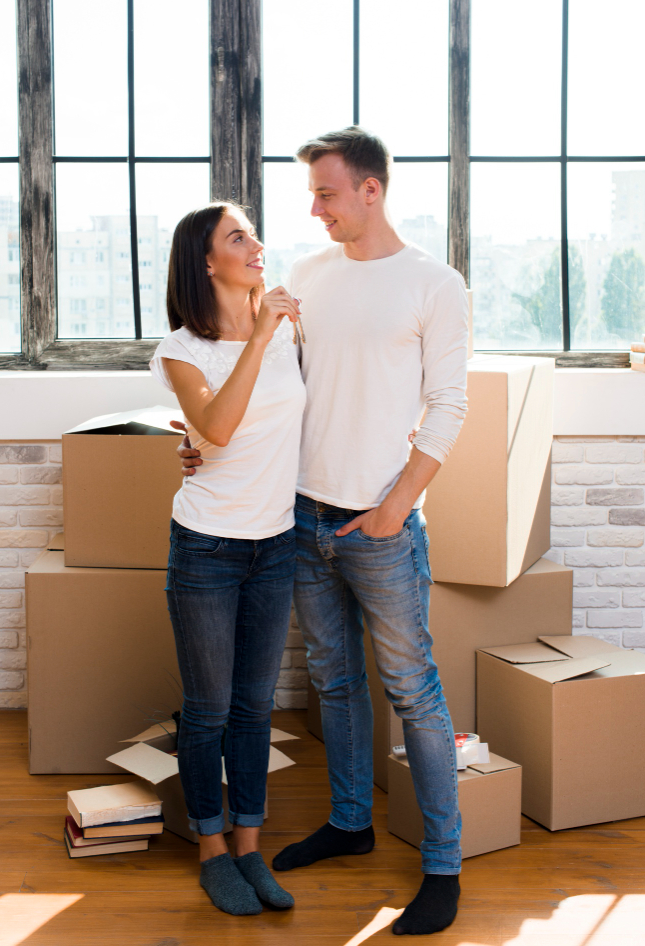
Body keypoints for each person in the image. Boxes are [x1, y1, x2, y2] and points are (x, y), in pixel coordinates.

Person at [179, 127, 469, 937]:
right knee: (334, 682)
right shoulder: (306, 277)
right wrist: (198, 441)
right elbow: (270, 387)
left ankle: (441, 866)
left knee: (413, 692)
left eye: (326, 194)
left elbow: (449, 405)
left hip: (379, 525)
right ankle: (350, 822)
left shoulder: (432, 284)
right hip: (296, 519)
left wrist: (393, 505)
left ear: (371, 191)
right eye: (310, 194)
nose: (312, 210)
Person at [150, 202, 306, 917]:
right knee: (208, 711)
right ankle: (211, 851)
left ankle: (249, 846)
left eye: (252, 232)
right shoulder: (183, 350)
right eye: (236, 237)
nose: (256, 244)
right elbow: (213, 426)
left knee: (253, 708)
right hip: (208, 548)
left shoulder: (289, 333)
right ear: (206, 263)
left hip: (275, 543)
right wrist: (260, 333)